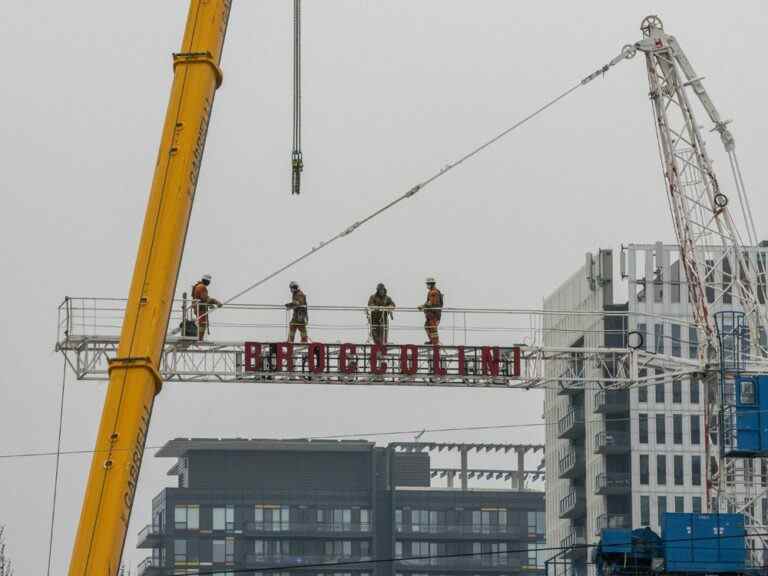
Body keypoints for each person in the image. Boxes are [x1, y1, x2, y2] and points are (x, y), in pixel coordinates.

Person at [191, 274, 222, 341]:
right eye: (209, 282)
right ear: (207, 281)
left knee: (201, 323)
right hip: (200, 309)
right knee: (202, 324)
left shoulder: (198, 286)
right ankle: (200, 339)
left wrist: (209, 305)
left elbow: (202, 299)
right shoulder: (202, 287)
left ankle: (199, 338)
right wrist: (217, 302)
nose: (209, 283)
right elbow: (205, 299)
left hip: (198, 308)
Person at [418, 277, 443, 345]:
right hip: (430, 314)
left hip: (434, 314)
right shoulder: (431, 292)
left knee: (432, 327)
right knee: (427, 326)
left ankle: (435, 342)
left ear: (432, 284)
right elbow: (428, 302)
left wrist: (423, 306)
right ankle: (432, 340)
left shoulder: (434, 292)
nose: (427, 285)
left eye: (428, 284)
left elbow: (432, 303)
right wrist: (424, 306)